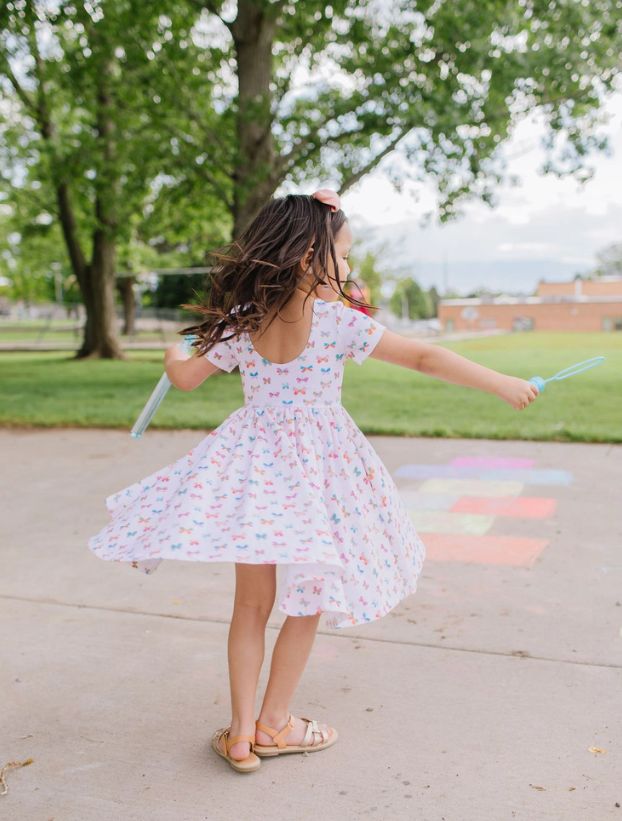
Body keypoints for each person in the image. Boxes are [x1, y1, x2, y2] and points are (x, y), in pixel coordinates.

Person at [87, 188, 539, 774]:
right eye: (343, 256)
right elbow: (425, 358)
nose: (348, 269)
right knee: (308, 601)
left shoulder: (241, 324)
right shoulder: (335, 323)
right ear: (308, 258)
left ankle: (244, 735)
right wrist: (501, 382)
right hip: (318, 473)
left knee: (251, 605)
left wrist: (173, 356)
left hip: (254, 468)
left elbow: (188, 377)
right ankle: (276, 723)